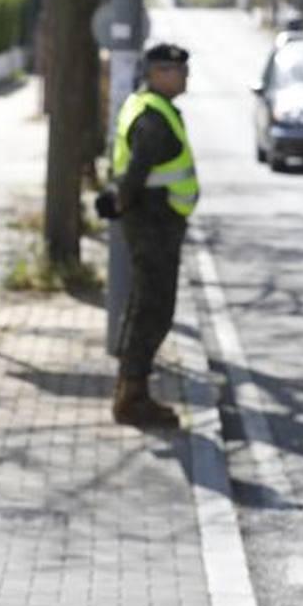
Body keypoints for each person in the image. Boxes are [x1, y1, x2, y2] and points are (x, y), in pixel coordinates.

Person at [104, 42, 199, 427]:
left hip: (154, 222)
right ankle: (133, 397)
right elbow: (136, 172)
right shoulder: (153, 118)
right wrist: (121, 202)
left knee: (145, 305)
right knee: (154, 310)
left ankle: (129, 388)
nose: (185, 77)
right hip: (154, 223)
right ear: (158, 73)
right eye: (179, 71)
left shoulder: (146, 105)